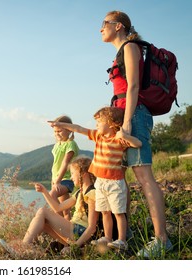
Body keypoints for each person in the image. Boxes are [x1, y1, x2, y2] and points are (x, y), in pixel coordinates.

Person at [100, 10, 173, 257]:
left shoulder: (130, 47)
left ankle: (162, 240)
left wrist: (127, 122)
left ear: (118, 26)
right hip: (122, 116)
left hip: (134, 116)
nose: (100, 29)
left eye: (104, 24)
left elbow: (132, 86)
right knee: (120, 179)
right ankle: (125, 234)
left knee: (144, 176)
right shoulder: (120, 52)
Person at [51, 106, 142, 250]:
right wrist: (61, 125)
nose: (96, 125)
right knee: (105, 211)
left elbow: (138, 144)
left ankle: (122, 240)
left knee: (118, 212)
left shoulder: (118, 139)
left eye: (99, 122)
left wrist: (124, 136)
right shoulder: (98, 136)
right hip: (100, 182)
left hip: (115, 183)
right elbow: (79, 128)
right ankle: (107, 237)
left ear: (111, 124)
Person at [0, 156, 99, 258]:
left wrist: (75, 247)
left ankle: (22, 248)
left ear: (83, 174)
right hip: (74, 231)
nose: (71, 177)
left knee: (43, 211)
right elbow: (58, 208)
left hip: (80, 233)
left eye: (73, 173)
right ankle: (30, 252)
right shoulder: (79, 193)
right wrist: (44, 191)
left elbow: (91, 228)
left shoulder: (91, 194)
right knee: (43, 223)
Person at [49, 115, 79, 220]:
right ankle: (67, 232)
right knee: (66, 210)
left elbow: (65, 163)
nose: (57, 134)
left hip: (65, 179)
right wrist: (54, 180)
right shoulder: (57, 145)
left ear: (69, 130)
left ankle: (60, 222)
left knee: (51, 195)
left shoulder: (70, 144)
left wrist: (57, 181)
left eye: (59, 131)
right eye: (55, 131)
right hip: (56, 178)